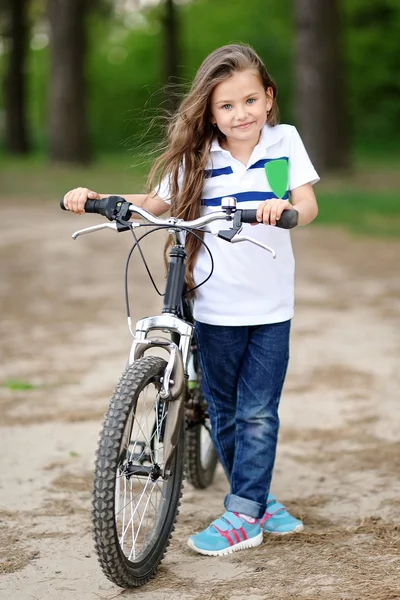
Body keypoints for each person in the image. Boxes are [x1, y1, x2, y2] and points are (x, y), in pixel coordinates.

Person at [64, 43, 319, 557]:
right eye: (226, 106)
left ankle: (244, 513)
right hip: (216, 308)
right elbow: (155, 203)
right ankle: (255, 497)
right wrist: (97, 198)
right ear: (210, 111)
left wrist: (282, 206)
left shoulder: (284, 142)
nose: (240, 114)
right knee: (225, 410)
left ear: (268, 98)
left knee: (258, 412)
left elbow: (308, 205)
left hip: (271, 309)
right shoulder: (198, 156)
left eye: (250, 101)